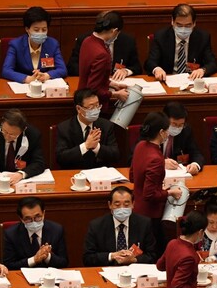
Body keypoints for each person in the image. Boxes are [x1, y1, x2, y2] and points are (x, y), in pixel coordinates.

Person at [129, 111, 183, 255]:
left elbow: (132, 177)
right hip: (150, 214)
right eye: (167, 130)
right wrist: (170, 192)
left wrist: (158, 185)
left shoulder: (140, 145)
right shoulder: (156, 158)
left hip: (137, 209)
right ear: (161, 132)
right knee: (155, 253)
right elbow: (150, 194)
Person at [82, 186, 157, 266]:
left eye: (126, 205)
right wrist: (112, 256)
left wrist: (134, 259)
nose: (122, 209)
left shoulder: (144, 224)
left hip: (134, 270)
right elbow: (88, 258)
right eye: (117, 205)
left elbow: (152, 256)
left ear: (133, 204)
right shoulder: (97, 226)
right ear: (110, 205)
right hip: (109, 269)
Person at [157, 211, 211, 288]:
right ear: (200, 232)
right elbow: (177, 285)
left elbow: (160, 266)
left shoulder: (172, 243)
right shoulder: (189, 256)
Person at [145, 3, 217, 81]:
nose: (183, 29)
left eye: (188, 25)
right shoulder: (161, 36)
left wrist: (202, 70)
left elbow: (213, 64)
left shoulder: (202, 37)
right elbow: (150, 62)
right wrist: (157, 69)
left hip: (192, 81)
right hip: (168, 80)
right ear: (172, 22)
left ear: (194, 23)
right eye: (179, 25)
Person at [0, 108, 45, 185]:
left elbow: (39, 163)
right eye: (4, 131)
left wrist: (21, 174)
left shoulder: (33, 135)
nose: (7, 137)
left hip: (20, 183)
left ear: (23, 130)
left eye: (12, 134)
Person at [56, 88, 120, 169]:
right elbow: (61, 158)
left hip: (100, 173)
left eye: (97, 106)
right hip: (75, 172)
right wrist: (85, 146)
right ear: (79, 109)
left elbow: (115, 155)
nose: (96, 110)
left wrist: (97, 147)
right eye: (91, 107)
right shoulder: (64, 128)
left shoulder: (106, 125)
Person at [1, 6, 67, 83]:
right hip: (23, 86)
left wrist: (47, 75)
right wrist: (26, 78)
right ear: (27, 29)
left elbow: (62, 69)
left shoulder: (52, 44)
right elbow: (6, 70)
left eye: (44, 30)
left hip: (44, 85)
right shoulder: (16, 45)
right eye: (36, 30)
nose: (41, 33)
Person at [77, 10, 128, 110]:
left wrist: (112, 84)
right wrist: (116, 94)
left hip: (81, 98)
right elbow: (93, 90)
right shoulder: (102, 54)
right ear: (114, 31)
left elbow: (91, 76)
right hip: (93, 106)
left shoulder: (87, 41)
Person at [3, 197, 68, 270]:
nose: (34, 222)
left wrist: (47, 256)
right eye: (28, 219)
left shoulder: (56, 230)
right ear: (21, 219)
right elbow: (9, 265)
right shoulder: (11, 234)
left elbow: (64, 263)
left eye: (38, 217)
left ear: (43, 213)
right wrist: (34, 260)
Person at [67, 30, 142, 78]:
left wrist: (126, 71)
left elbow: (137, 67)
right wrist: (95, 74)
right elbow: (72, 67)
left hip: (118, 83)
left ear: (115, 31)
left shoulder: (127, 41)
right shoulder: (85, 40)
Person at [160, 102, 205, 175]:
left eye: (181, 125)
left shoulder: (186, 131)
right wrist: (161, 162)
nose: (177, 128)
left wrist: (195, 165)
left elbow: (196, 153)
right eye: (174, 124)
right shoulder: (153, 130)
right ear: (164, 120)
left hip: (179, 175)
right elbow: (142, 156)